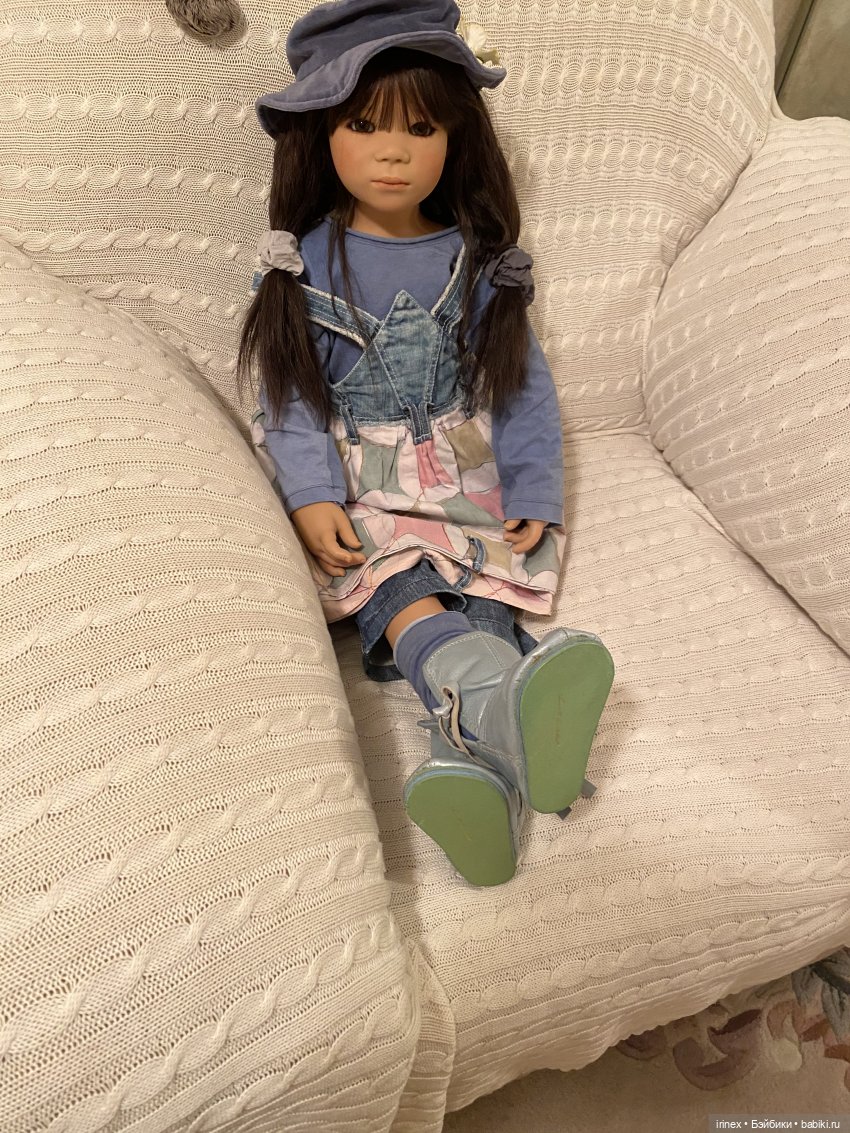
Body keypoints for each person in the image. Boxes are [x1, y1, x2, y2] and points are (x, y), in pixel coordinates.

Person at [235, 0, 615, 886]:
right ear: (321, 135)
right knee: (401, 584)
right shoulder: (303, 263)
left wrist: (534, 487)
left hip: (462, 478)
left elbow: (521, 383)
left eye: (420, 127)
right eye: (364, 125)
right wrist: (310, 492)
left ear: (456, 136)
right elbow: (288, 395)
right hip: (363, 486)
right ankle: (502, 720)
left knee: (478, 599)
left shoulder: (475, 260)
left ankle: (479, 764)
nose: (393, 152)